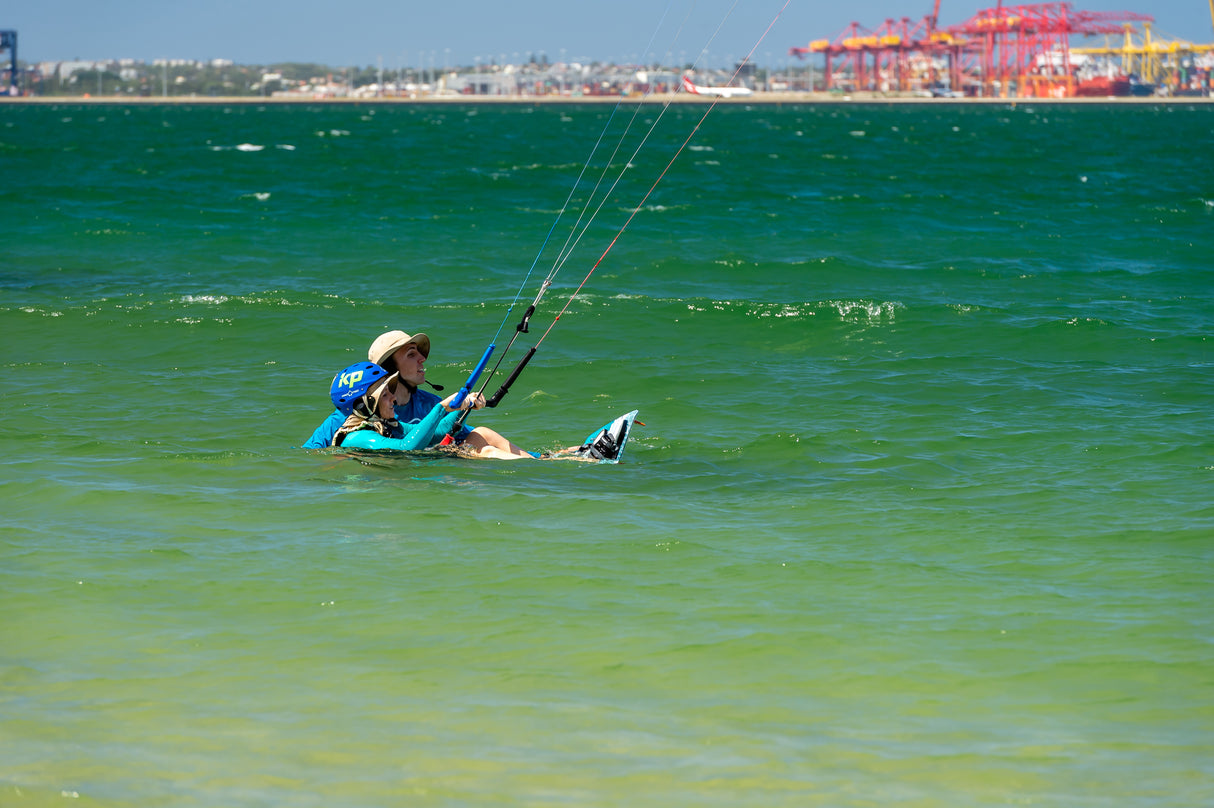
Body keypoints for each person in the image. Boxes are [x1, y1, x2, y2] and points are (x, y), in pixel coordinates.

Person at [304, 330, 535, 459]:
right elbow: (407, 447)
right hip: (405, 477)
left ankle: (541, 459)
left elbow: (442, 432)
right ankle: (540, 466)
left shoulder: (390, 421)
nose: (422, 360)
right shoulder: (350, 428)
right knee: (484, 452)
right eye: (411, 354)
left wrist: (461, 406)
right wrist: (443, 408)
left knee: (481, 435)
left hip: (425, 464)